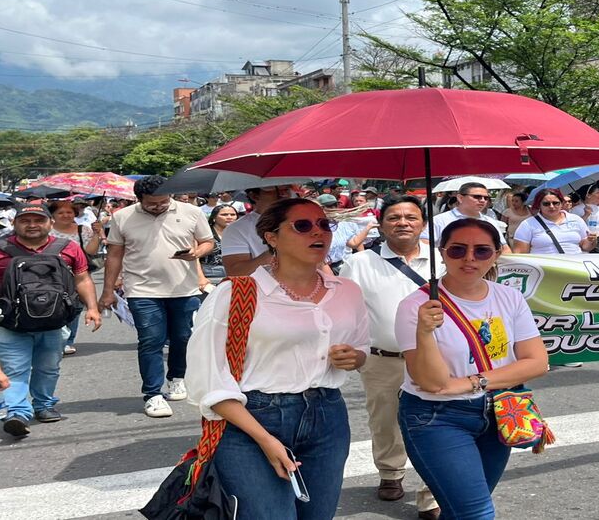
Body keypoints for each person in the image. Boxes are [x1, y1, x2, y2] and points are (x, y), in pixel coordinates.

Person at [187, 198, 369, 520]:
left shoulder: (347, 291)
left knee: (318, 516)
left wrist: (353, 357)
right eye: (302, 225)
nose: (318, 232)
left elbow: (361, 349)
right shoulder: (236, 293)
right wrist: (266, 440)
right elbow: (208, 382)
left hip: (327, 416)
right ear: (271, 237)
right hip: (251, 420)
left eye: (324, 224)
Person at [395, 218, 549, 518]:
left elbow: (536, 361)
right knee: (476, 513)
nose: (469, 258)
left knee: (460, 511)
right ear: (441, 252)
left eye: (481, 251)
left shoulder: (509, 297)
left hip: (498, 412)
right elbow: (432, 382)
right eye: (457, 250)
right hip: (437, 417)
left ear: (496, 254)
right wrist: (425, 332)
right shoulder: (416, 306)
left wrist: (472, 382)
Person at [339, 196, 440, 519]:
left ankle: (432, 493)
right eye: (394, 217)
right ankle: (390, 473)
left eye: (411, 217)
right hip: (382, 358)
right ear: (381, 225)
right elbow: (348, 311)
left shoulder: (441, 258)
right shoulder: (360, 263)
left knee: (436, 424)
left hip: (435, 357)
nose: (403, 223)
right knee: (384, 420)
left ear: (423, 224)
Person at [100, 176, 214, 418]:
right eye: (152, 203)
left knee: (183, 337)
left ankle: (176, 377)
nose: (159, 206)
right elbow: (114, 256)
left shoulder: (192, 212)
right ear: (139, 199)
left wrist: (196, 252)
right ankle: (153, 394)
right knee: (151, 339)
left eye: (164, 201)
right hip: (141, 290)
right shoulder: (123, 217)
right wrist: (108, 291)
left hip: (184, 288)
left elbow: (207, 242)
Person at [0, 204, 100, 437]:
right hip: (10, 323)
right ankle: (17, 412)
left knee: (48, 368)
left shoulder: (68, 248)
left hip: (55, 321)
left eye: (38, 220)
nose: (32, 225)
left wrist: (93, 308)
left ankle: (44, 404)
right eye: (25, 220)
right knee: (15, 369)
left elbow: (82, 278)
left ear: (50, 223)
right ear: (14, 224)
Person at [48, 199, 103, 356]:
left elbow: (90, 252)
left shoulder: (83, 230)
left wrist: (97, 234)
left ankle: (67, 341)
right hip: (51, 276)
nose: (66, 215)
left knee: (74, 308)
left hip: (77, 276)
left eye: (69, 212)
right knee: (54, 307)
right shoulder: (46, 230)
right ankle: (55, 338)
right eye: (61, 212)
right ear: (52, 215)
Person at [221, 185, 293, 277]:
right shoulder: (237, 229)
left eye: (286, 189)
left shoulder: (308, 222)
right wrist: (275, 251)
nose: (283, 194)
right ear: (254, 196)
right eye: (272, 189)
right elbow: (236, 273)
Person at [420, 183, 509, 252]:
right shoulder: (439, 220)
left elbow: (504, 249)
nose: (482, 200)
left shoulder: (491, 222)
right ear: (460, 198)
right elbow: (424, 245)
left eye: (486, 198)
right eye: (477, 197)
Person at [513, 188, 596, 255]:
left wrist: (591, 241)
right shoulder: (528, 224)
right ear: (539, 205)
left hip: (575, 269)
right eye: (546, 204)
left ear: (562, 203)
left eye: (556, 203)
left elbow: (585, 247)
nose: (551, 206)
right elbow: (520, 254)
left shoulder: (576, 219)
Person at [199, 203, 239, 287]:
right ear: (214, 218)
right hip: (209, 275)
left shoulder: (240, 234)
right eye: (224, 214)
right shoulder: (205, 233)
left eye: (233, 214)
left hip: (234, 274)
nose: (229, 217)